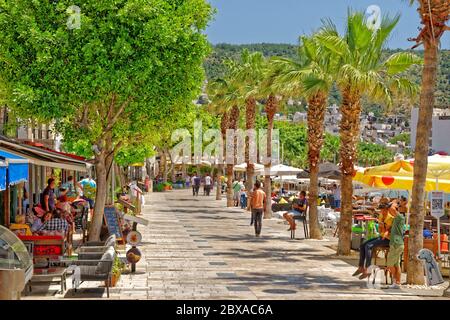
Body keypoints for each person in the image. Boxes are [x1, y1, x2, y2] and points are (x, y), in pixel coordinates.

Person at [353, 198, 395, 279]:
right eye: (382, 210)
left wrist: (383, 227)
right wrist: (382, 227)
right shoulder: (381, 216)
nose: (383, 212)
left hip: (388, 239)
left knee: (368, 246)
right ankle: (361, 267)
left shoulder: (390, 218)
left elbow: (387, 231)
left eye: (384, 210)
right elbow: (380, 230)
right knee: (362, 245)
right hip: (382, 236)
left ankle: (368, 270)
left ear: (387, 209)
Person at [386, 200, 405, 288]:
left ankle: (395, 283)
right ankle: (397, 283)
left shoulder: (400, 217)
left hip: (396, 244)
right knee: (396, 265)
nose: (389, 211)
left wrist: (393, 204)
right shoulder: (395, 219)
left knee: (390, 264)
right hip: (396, 243)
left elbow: (392, 209)